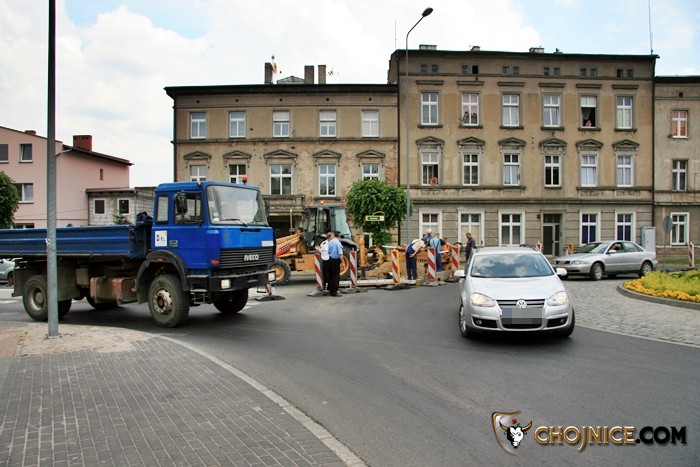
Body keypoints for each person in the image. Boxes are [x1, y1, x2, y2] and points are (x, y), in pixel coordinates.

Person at [326, 231, 343, 296]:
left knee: (331, 275)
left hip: (330, 259)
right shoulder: (337, 243)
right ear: (338, 236)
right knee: (335, 276)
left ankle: (330, 289)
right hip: (335, 260)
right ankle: (334, 292)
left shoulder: (330, 242)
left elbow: (329, 251)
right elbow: (340, 253)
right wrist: (343, 262)